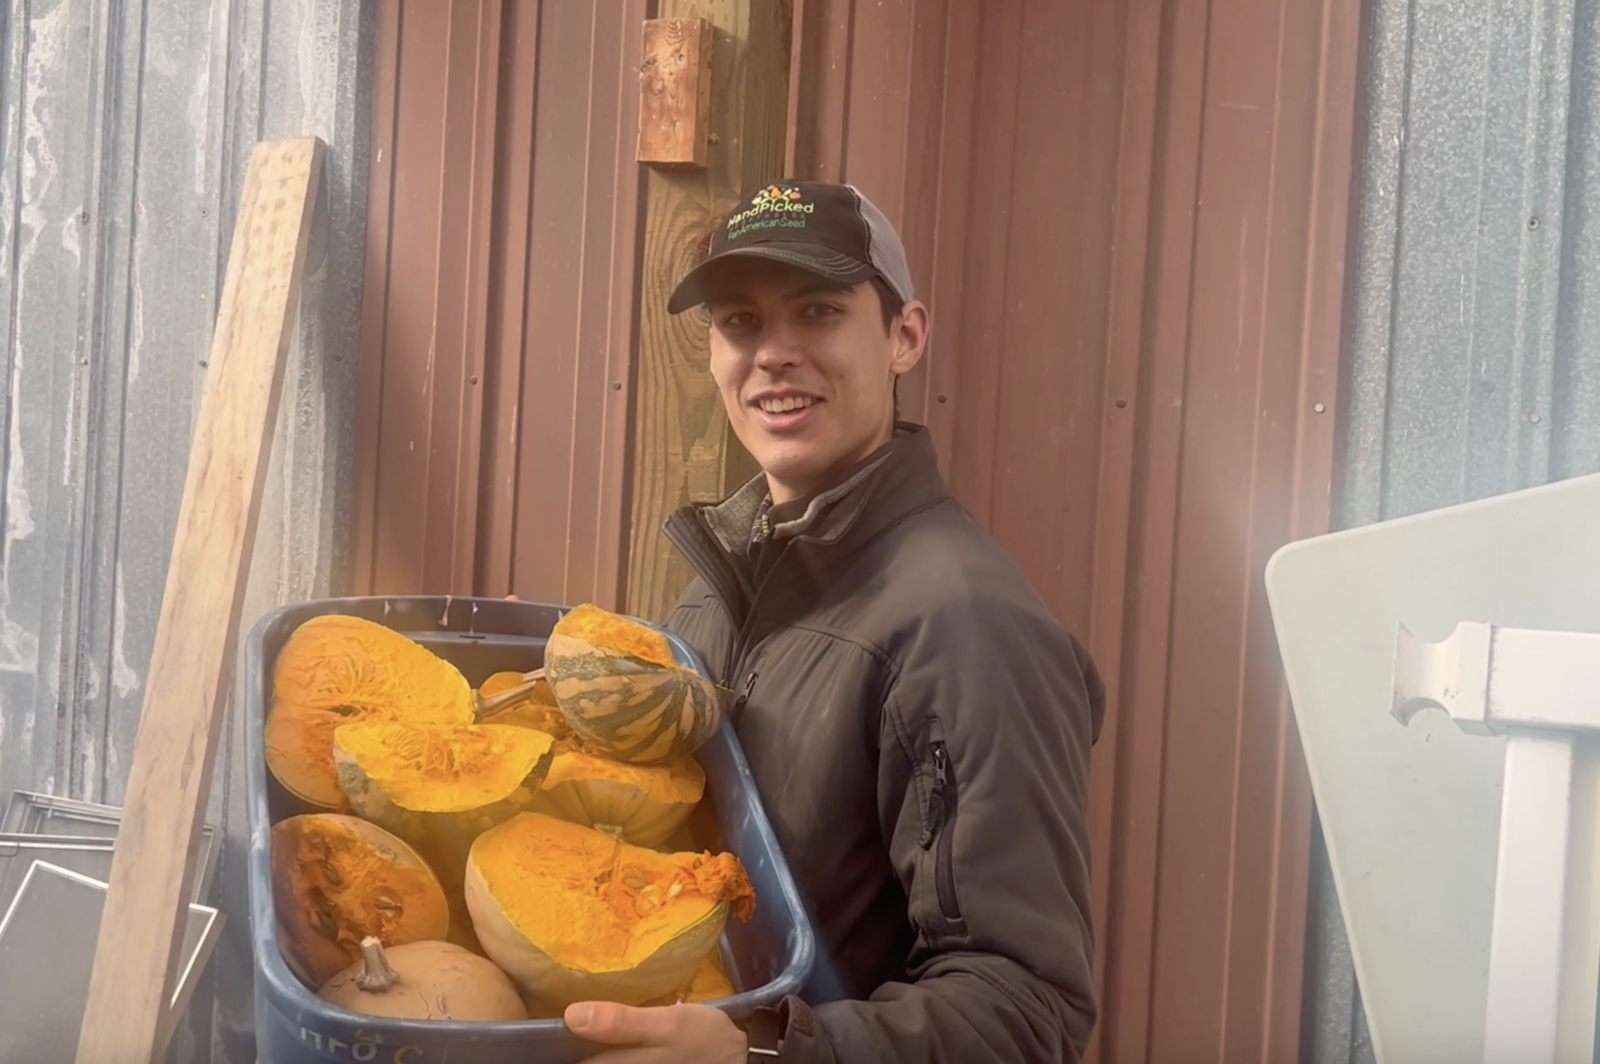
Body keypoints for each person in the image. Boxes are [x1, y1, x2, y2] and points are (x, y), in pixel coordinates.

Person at [561, 181, 1106, 1063]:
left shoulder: (966, 628)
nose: (774, 353)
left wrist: (767, 1055)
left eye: (817, 311)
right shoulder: (716, 592)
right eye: (740, 321)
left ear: (904, 337)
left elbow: (1026, 1010)